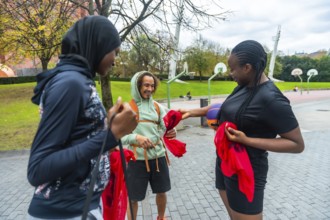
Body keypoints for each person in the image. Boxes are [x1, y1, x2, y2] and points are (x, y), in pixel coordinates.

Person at [179, 40, 305, 220]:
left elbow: (297, 144)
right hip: (226, 161)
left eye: (232, 69)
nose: (230, 74)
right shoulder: (245, 86)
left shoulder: (272, 99)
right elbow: (228, 107)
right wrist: (193, 112)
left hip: (247, 171)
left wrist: (246, 140)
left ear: (247, 67)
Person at [27, 16, 137, 220]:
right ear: (99, 45)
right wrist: (111, 135)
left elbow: (75, 138)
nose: (115, 60)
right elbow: (38, 169)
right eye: (115, 51)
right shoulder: (71, 83)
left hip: (79, 207)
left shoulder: (78, 79)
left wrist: (107, 124)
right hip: (64, 213)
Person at [121, 71, 176, 220]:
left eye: (152, 86)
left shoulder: (158, 107)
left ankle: (161, 217)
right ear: (137, 85)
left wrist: (172, 130)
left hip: (158, 157)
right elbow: (117, 137)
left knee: (162, 192)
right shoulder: (127, 109)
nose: (150, 89)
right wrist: (135, 137)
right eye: (146, 85)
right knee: (133, 198)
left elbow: (167, 124)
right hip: (136, 160)